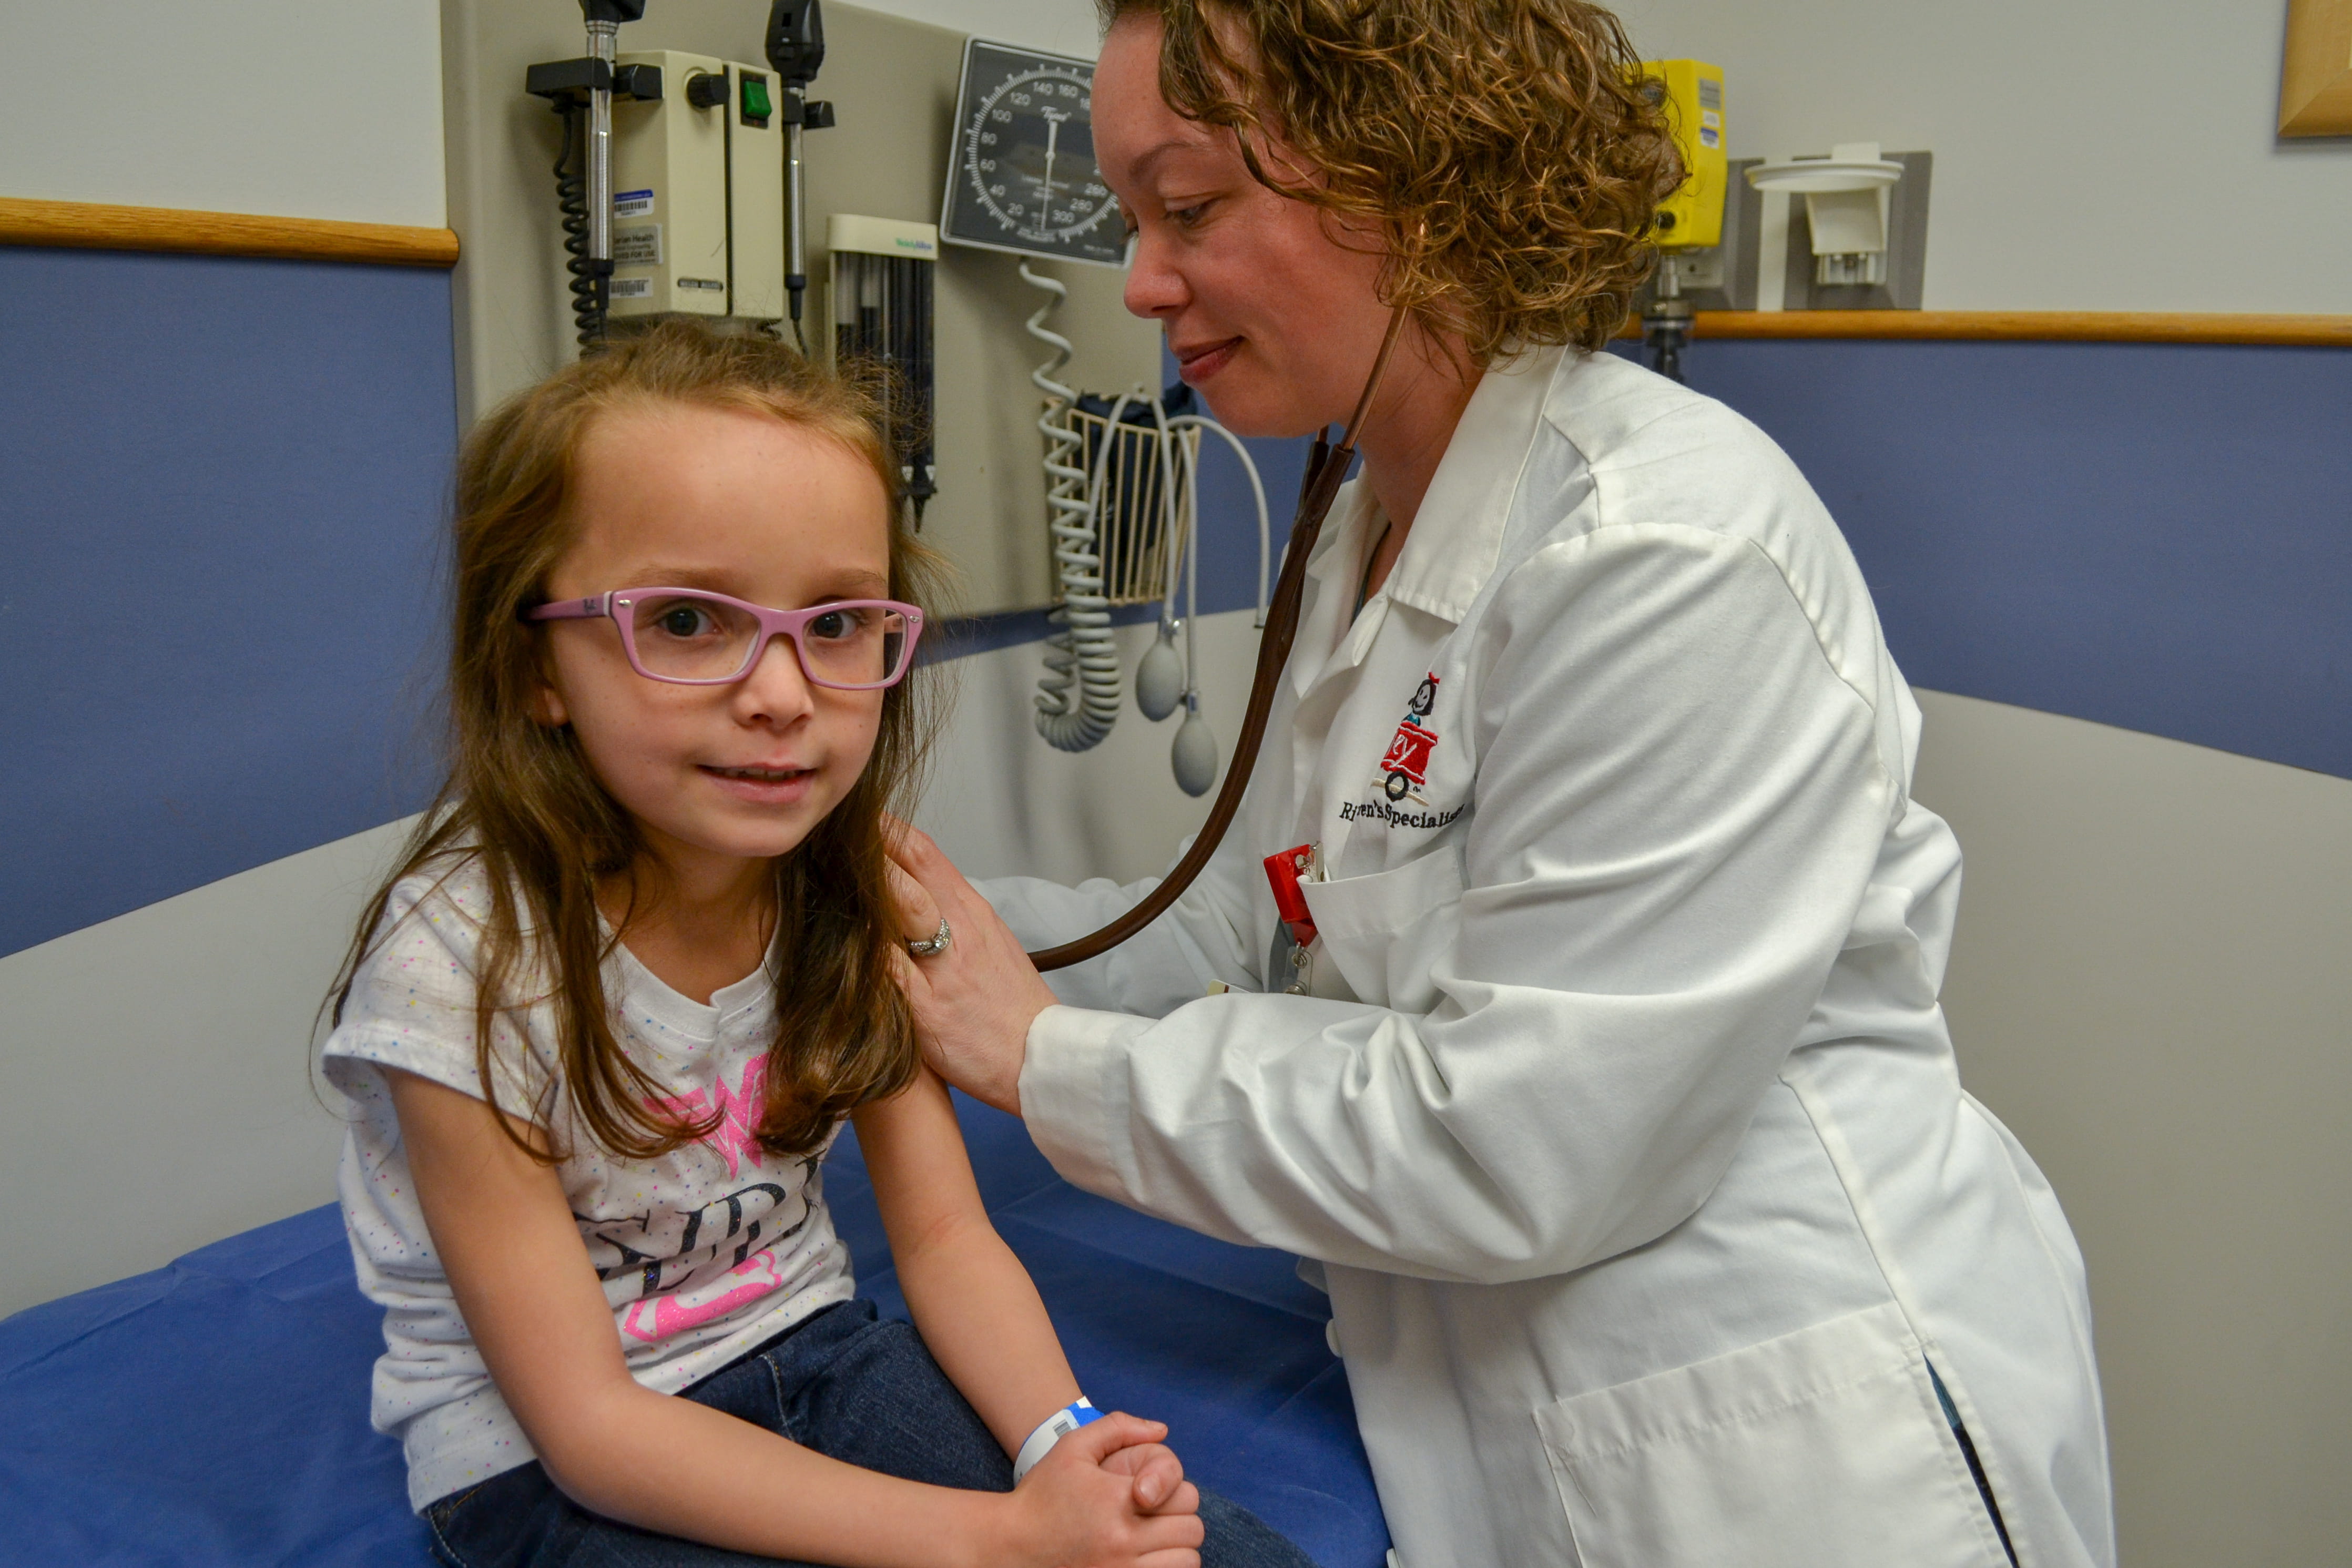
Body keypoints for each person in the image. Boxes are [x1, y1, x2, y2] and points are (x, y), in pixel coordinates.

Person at [888, 3, 2115, 1567]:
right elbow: (1260, 935)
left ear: (1413, 167)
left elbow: (1514, 1143)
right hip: (1498, 1420)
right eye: (1133, 220)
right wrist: (919, 922)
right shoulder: (1360, 523)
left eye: (1188, 207)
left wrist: (1038, 1057)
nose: (1139, 280)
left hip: (1782, 1441)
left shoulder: (1661, 550)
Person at [319, 322, 1314, 1568]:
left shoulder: (836, 889)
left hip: (817, 1351)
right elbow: (588, 1426)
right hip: (552, 1458)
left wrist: (1062, 1452)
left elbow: (944, 1236)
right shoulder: (461, 970)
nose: (784, 693)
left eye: (837, 624)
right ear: (535, 668)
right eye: (687, 621)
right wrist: (1005, 1542)